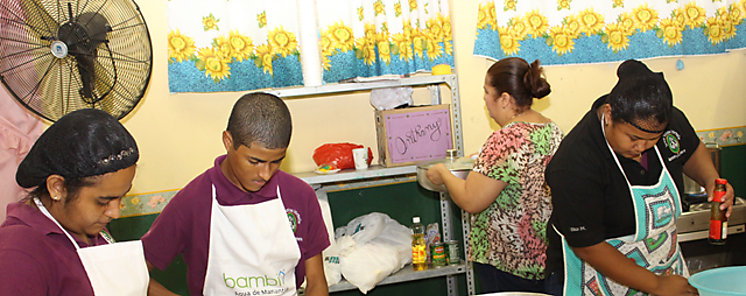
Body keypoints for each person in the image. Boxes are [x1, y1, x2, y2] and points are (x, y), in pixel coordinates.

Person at [544, 59, 735, 296]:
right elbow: (588, 246)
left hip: (663, 266)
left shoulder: (662, 120)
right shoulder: (575, 162)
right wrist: (657, 285)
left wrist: (710, 180)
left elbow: (692, 150)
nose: (641, 147)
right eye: (632, 137)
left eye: (652, 139)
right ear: (610, 114)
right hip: (596, 277)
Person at [143, 92, 330, 296]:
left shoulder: (300, 195)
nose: (265, 174)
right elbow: (137, 273)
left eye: (276, 161)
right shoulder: (193, 201)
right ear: (228, 141)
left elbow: (316, 282)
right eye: (254, 161)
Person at [426, 57, 563, 293]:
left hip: (508, 262)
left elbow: (471, 200)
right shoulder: (552, 129)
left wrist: (443, 174)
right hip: (548, 258)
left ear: (505, 99)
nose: (485, 100)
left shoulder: (505, 139)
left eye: (487, 92)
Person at [0, 108, 148, 295]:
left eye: (121, 198)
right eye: (103, 201)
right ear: (57, 188)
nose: (115, 213)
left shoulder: (88, 229)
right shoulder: (18, 252)